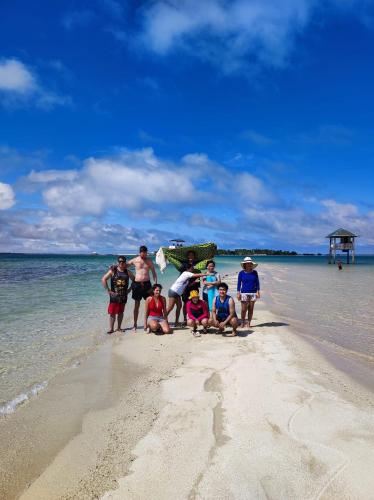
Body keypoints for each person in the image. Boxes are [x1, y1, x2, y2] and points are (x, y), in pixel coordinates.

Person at [101, 255, 134, 334]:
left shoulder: (128, 272)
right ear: (118, 262)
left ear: (125, 262)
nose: (121, 263)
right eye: (120, 261)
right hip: (114, 296)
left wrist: (129, 289)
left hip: (123, 296)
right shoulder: (113, 271)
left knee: (120, 312)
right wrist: (108, 290)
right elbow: (103, 279)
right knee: (112, 313)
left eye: (123, 261)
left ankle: (119, 328)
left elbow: (135, 280)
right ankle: (111, 329)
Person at [127, 245, 157, 331]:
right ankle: (135, 324)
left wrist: (155, 285)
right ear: (140, 252)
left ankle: (147, 323)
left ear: (147, 252)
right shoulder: (135, 260)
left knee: (150, 304)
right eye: (142, 253)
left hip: (147, 284)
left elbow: (154, 273)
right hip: (137, 284)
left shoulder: (149, 261)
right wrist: (114, 267)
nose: (144, 254)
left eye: (145, 253)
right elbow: (124, 266)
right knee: (137, 305)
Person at [237, 256, 260, 328]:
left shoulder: (255, 272)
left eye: (250, 263)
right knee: (244, 309)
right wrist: (238, 292)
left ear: (251, 264)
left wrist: (258, 291)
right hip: (244, 292)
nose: (249, 264)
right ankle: (243, 322)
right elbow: (239, 283)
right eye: (247, 263)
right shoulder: (241, 273)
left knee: (251, 309)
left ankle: (249, 323)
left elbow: (257, 282)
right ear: (244, 264)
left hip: (253, 293)